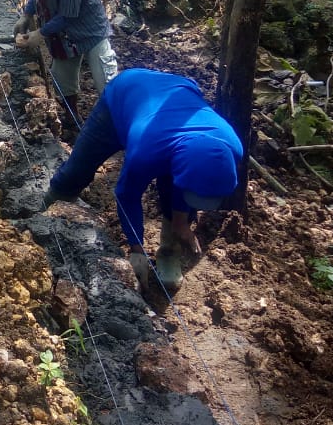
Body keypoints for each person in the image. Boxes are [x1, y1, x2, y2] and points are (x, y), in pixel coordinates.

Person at [41, 69, 243, 291]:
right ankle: (48, 210)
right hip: (124, 95)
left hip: (173, 103)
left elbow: (188, 181)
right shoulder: (145, 152)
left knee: (179, 186)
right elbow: (127, 194)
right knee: (78, 169)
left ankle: (169, 250)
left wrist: (181, 223)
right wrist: (136, 249)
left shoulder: (232, 147)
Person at [9, 0, 118, 120]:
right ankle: (73, 120)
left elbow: (68, 14)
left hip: (90, 29)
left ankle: (118, 126)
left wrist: (39, 34)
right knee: (62, 79)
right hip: (61, 32)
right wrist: (27, 14)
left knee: (108, 84)